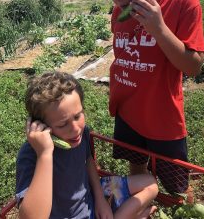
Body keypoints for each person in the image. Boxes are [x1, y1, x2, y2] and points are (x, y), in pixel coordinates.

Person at [93, 0, 204, 200]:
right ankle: (144, 208)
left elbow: (193, 67)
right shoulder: (121, 10)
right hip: (128, 112)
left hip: (163, 118)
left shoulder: (183, 4)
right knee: (138, 173)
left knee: (178, 187)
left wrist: (158, 28)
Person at [16, 71, 158, 219]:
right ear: (41, 126)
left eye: (78, 116)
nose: (76, 129)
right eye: (63, 124)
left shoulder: (81, 134)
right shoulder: (31, 154)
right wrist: (44, 155)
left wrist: (100, 200)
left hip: (93, 194)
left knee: (150, 184)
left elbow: (88, 160)